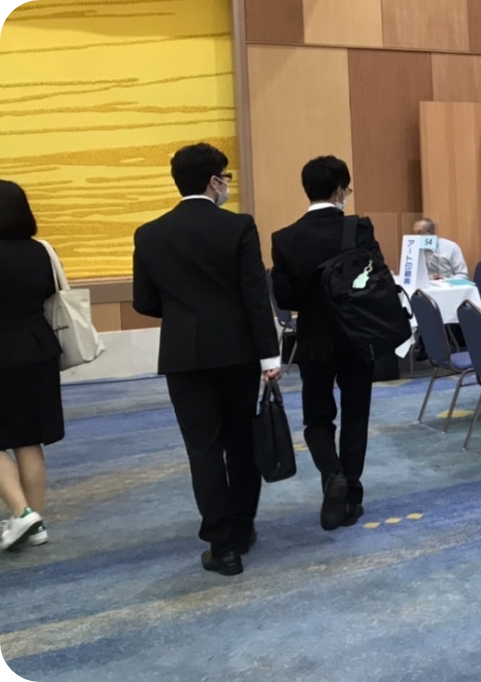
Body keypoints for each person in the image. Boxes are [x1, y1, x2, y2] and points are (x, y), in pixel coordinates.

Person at [132, 143, 281, 575]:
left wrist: (182, 314)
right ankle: (243, 528)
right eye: (226, 177)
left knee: (203, 449)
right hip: (237, 352)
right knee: (241, 442)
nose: (228, 184)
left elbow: (144, 301)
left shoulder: (149, 233)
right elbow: (256, 296)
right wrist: (269, 357)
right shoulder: (238, 226)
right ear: (214, 181)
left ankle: (222, 546)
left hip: (182, 354)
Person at [271, 156, 383, 531]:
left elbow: (284, 297)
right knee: (355, 414)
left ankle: (331, 474)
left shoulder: (285, 238)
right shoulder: (359, 229)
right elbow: (376, 280)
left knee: (317, 417)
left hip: (314, 338)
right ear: (338, 190)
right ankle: (351, 494)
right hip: (357, 336)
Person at [0, 180, 59, 550]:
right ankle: (35, 524)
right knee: (28, 439)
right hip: (37, 349)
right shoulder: (41, 251)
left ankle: (22, 513)